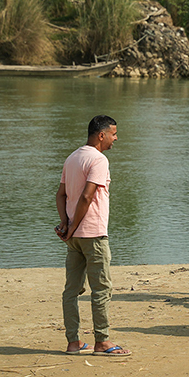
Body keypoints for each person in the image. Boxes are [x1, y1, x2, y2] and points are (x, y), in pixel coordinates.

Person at [56, 115, 131, 357]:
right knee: (101, 289)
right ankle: (102, 342)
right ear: (101, 135)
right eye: (113, 133)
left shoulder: (72, 157)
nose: (116, 138)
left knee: (71, 290)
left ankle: (73, 342)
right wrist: (73, 226)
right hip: (93, 235)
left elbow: (61, 195)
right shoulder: (99, 160)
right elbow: (87, 197)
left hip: (74, 238)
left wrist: (66, 225)